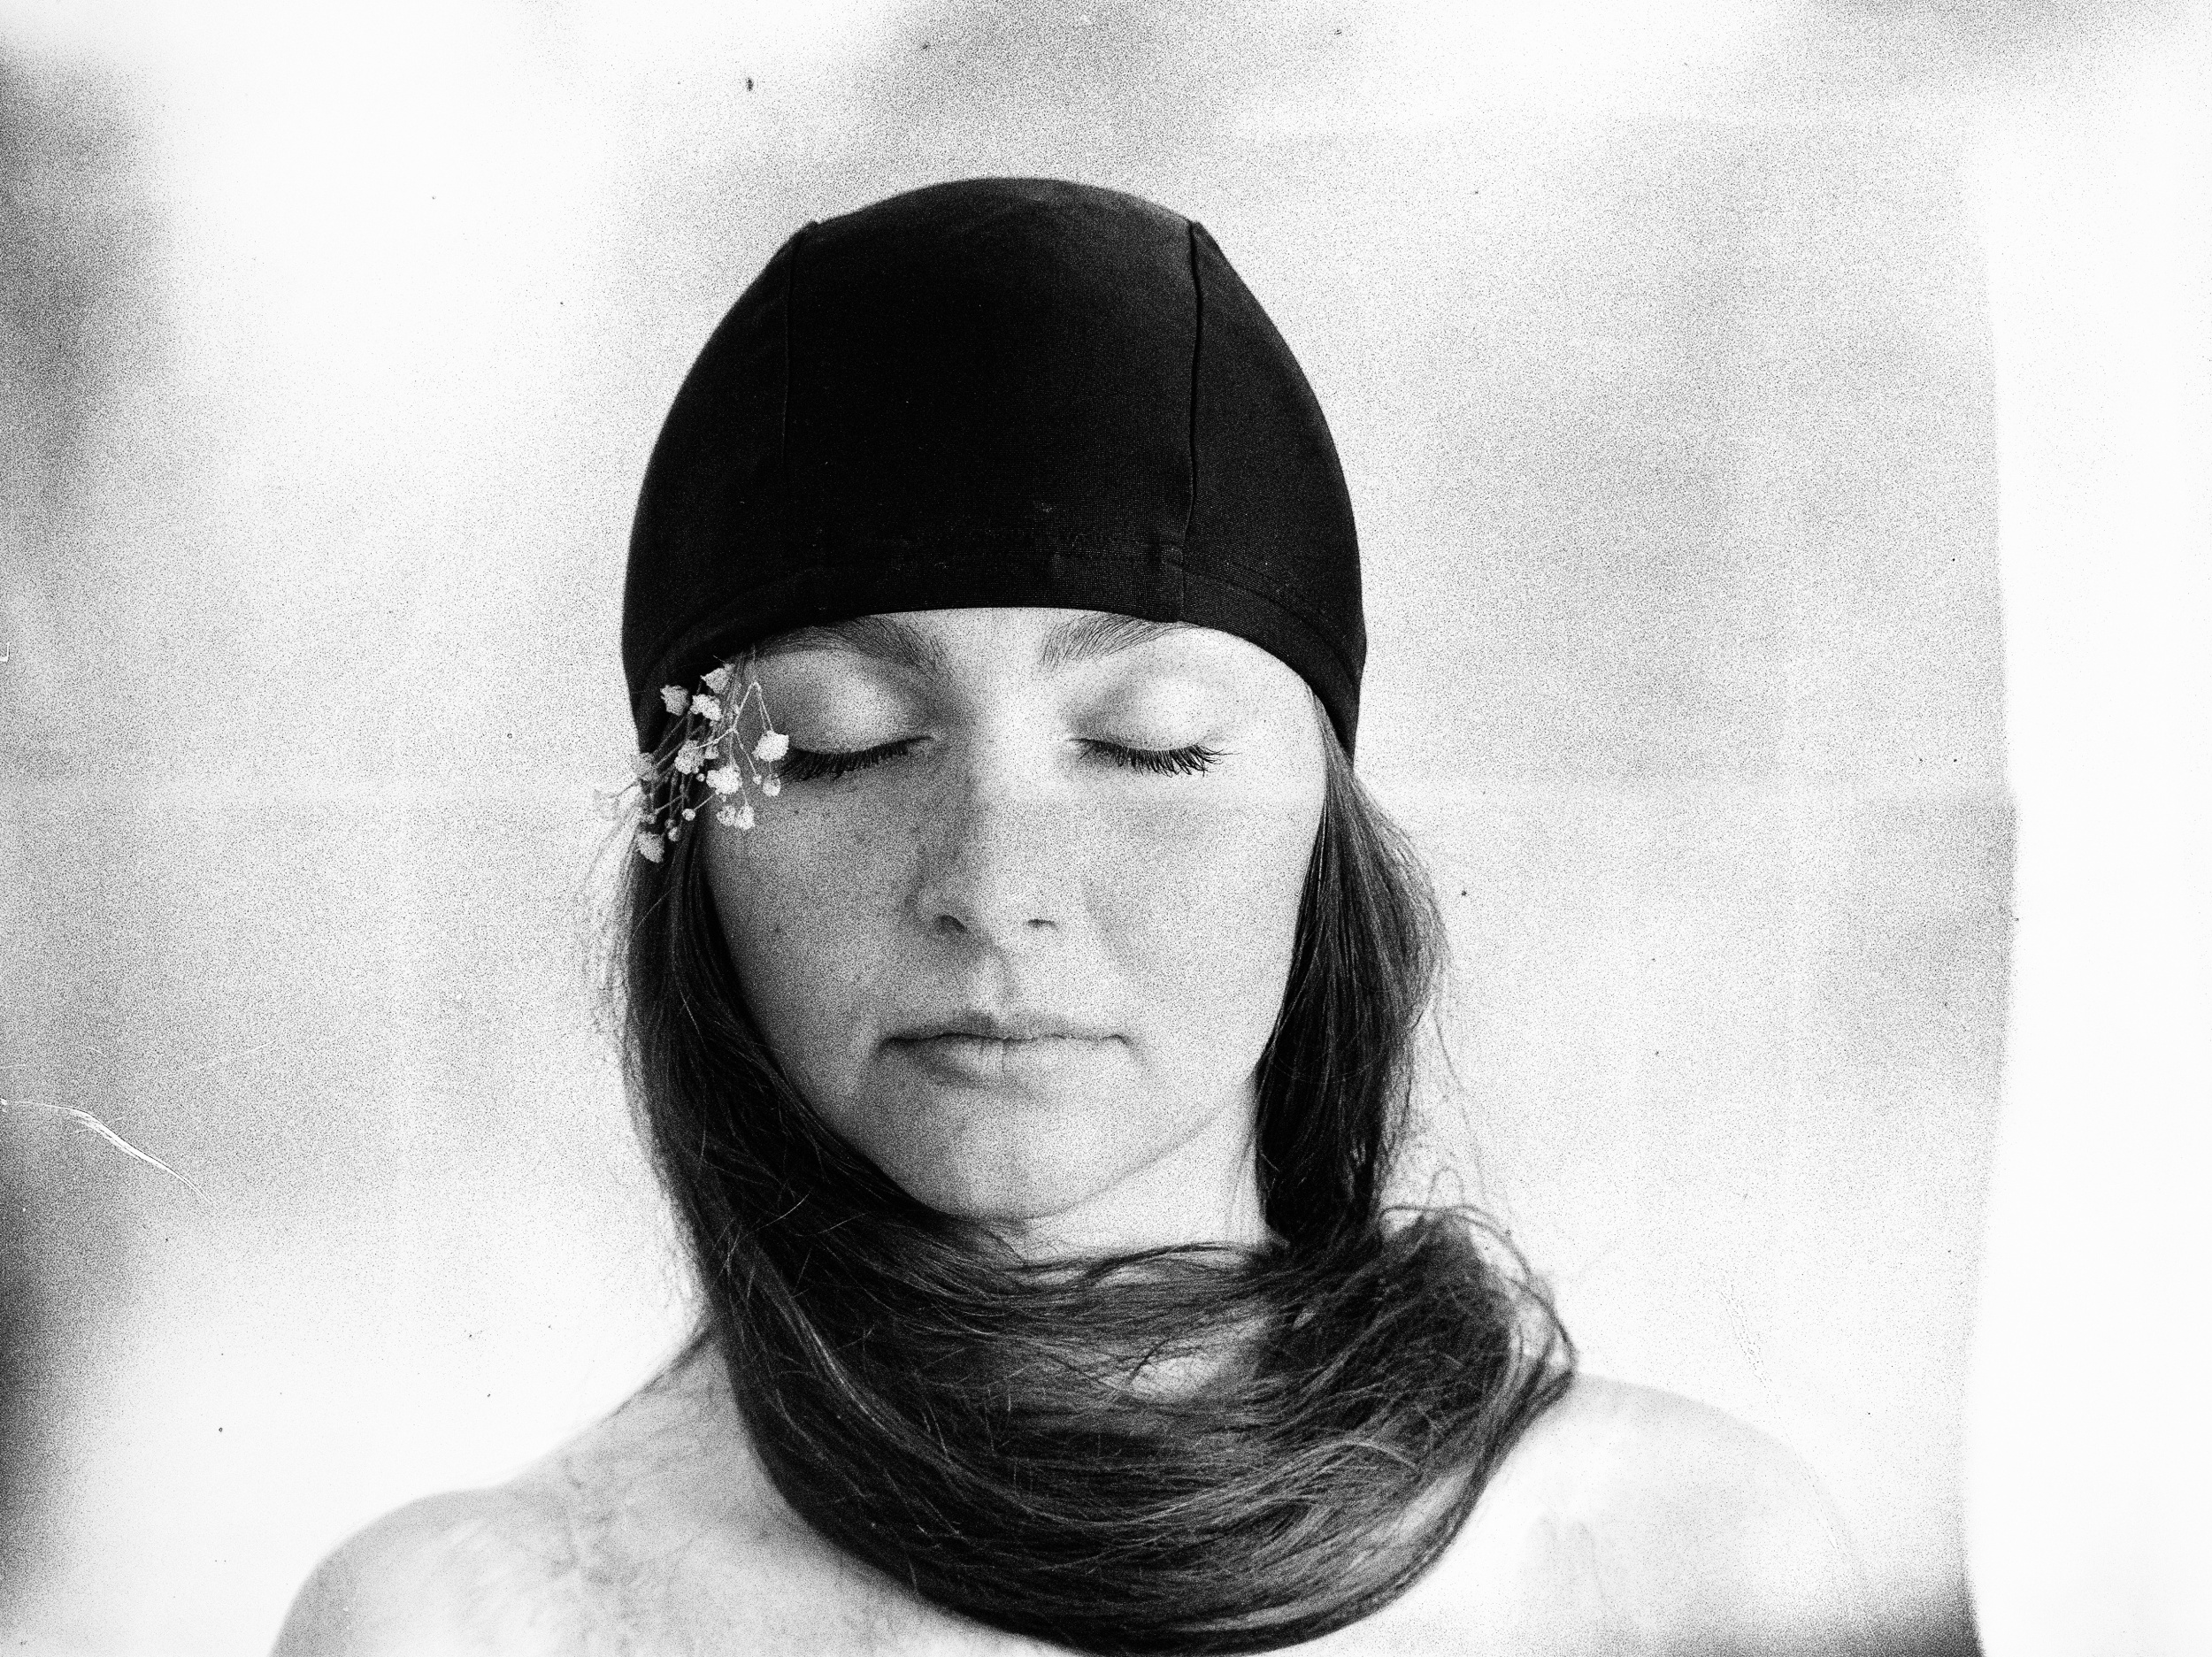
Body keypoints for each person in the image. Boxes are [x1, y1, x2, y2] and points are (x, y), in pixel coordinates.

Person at [274, 178, 1869, 1655]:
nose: (991, 890)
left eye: (1148, 742)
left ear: (1323, 827)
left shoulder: (1683, 1573)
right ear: (692, 849)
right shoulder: (476, 1622)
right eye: (838, 743)